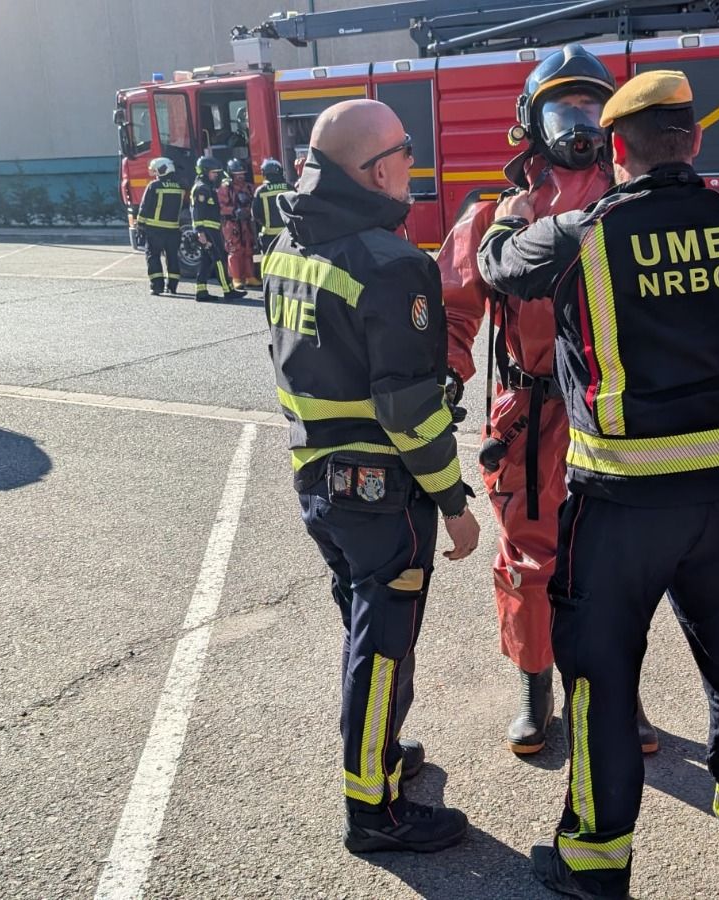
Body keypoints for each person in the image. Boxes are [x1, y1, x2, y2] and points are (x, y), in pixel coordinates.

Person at [477, 70, 719, 896]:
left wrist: (509, 215)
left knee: (601, 680)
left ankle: (594, 861)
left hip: (621, 505)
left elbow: (497, 266)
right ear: (694, 140)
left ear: (615, 148)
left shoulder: (581, 234)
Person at [262, 98, 483, 855]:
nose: (413, 167)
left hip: (317, 482)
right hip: (382, 495)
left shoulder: (287, 246)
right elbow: (410, 411)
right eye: (406, 153)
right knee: (383, 647)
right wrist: (453, 502)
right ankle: (373, 811)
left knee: (366, 634)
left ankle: (379, 754)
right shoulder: (392, 265)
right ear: (377, 170)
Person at [438, 45, 656, 757]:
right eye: (565, 111)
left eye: (593, 110)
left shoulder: (634, 203)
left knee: (618, 563)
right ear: (533, 123)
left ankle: (617, 691)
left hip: (615, 412)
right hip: (530, 419)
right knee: (530, 560)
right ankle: (535, 689)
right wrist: (444, 379)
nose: (580, 127)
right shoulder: (496, 216)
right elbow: (453, 311)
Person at [189, 156, 243, 301]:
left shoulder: (207, 187)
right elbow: (197, 212)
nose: (216, 175)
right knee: (219, 259)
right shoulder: (201, 188)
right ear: (205, 171)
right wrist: (200, 232)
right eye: (213, 172)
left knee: (206, 261)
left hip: (211, 229)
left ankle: (201, 292)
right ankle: (228, 290)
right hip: (207, 231)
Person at [135, 156, 183, 295]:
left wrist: (140, 225)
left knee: (153, 256)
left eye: (156, 171)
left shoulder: (154, 186)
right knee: (172, 258)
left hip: (155, 230)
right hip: (173, 230)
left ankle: (157, 286)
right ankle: (172, 287)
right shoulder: (180, 186)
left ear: (162, 170)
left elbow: (145, 207)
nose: (155, 174)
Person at [220, 158, 260, 288]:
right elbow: (221, 206)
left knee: (248, 249)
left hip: (247, 222)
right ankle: (236, 278)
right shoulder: (225, 188)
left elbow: (255, 201)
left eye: (242, 174)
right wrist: (234, 211)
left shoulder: (248, 187)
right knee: (235, 250)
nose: (240, 176)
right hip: (232, 223)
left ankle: (250, 277)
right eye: (237, 174)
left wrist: (249, 211)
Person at [253, 158, 290, 262]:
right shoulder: (289, 188)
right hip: (288, 235)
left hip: (269, 237)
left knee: (270, 264)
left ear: (264, 173)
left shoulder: (260, 191)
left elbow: (255, 214)